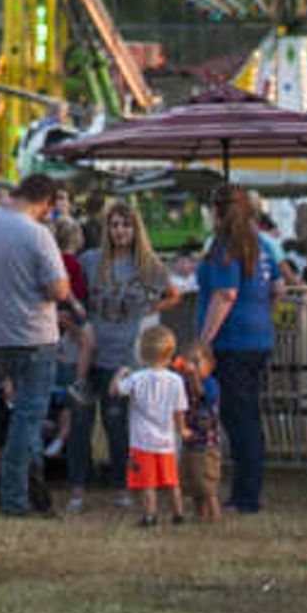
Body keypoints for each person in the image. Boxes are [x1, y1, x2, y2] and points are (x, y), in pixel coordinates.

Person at [0, 171, 70, 520]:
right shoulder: (37, 234)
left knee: (19, 413)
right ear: (46, 203)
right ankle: (12, 495)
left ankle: (35, 490)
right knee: (29, 417)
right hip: (34, 335)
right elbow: (59, 290)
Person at [192, 183, 284, 514]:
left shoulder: (224, 248)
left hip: (232, 341)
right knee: (249, 416)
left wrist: (203, 341)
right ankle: (250, 488)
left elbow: (224, 295)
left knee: (238, 417)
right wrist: (261, 315)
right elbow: (278, 287)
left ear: (216, 211)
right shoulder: (261, 245)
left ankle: (246, 496)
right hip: (259, 339)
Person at [80, 196, 179, 499]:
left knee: (117, 422)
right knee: (84, 419)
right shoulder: (91, 260)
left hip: (125, 351)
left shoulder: (148, 265)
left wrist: (150, 309)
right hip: (92, 347)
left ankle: (123, 483)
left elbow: (173, 293)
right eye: (114, 225)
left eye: (126, 225)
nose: (120, 231)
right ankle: (81, 483)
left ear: (136, 230)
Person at [121, 321, 190, 528]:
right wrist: (182, 429)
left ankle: (150, 516)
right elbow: (179, 410)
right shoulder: (176, 381)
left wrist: (120, 374)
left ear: (142, 353)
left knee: (147, 483)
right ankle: (178, 514)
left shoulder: (136, 378)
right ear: (170, 353)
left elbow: (117, 390)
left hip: (142, 441)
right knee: (171, 481)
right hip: (167, 441)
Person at [178, 341, 224, 524]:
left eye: (197, 362)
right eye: (189, 361)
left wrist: (194, 376)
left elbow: (203, 395)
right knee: (192, 481)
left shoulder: (211, 383)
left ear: (210, 365)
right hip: (189, 440)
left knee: (207, 483)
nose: (192, 366)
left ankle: (215, 516)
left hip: (207, 442)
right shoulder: (183, 383)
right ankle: (200, 515)